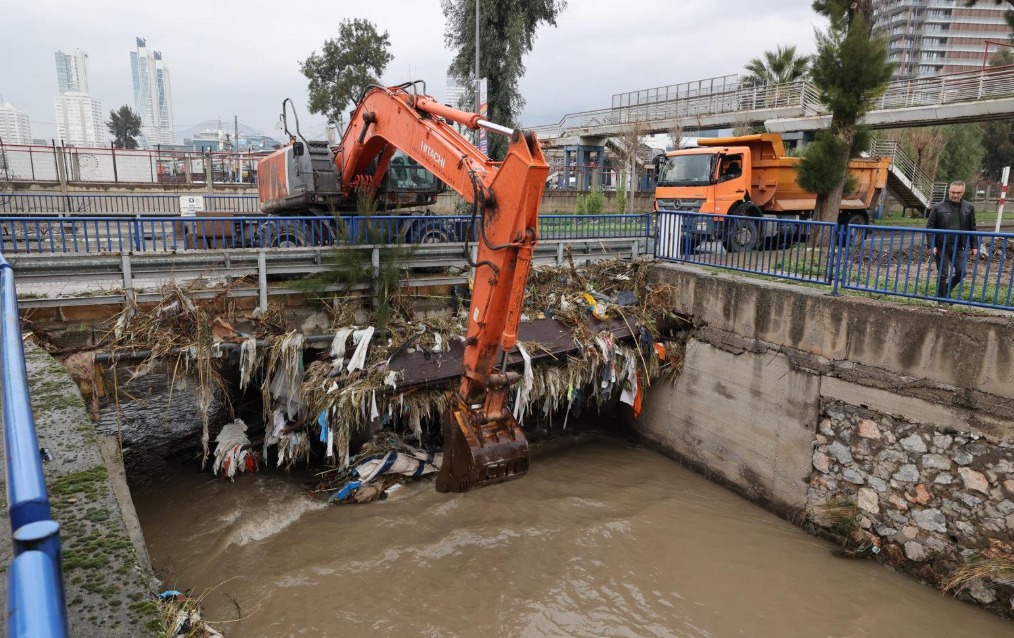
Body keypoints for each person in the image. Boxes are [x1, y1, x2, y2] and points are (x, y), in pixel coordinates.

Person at [926, 181, 978, 299]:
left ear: (963, 192)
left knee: (962, 272)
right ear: (949, 191)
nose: (955, 195)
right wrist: (931, 245)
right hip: (942, 245)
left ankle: (945, 292)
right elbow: (930, 227)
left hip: (959, 246)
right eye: (953, 192)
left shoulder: (969, 207)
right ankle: (941, 299)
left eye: (958, 193)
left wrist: (974, 245)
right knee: (943, 273)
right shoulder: (938, 207)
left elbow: (972, 227)